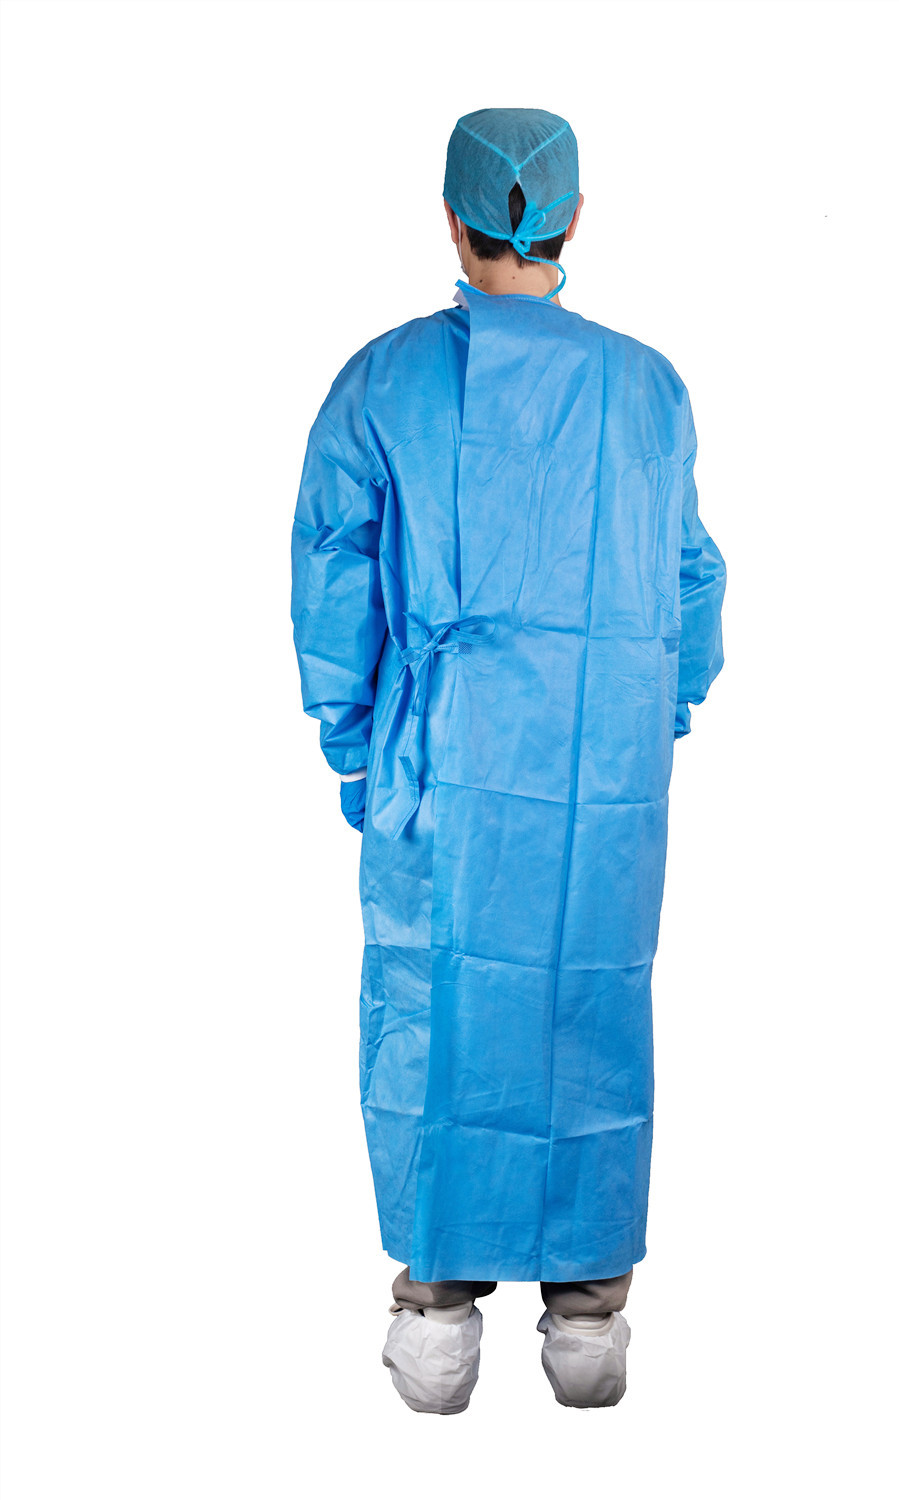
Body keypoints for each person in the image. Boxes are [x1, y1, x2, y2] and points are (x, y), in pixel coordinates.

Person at [290, 107, 726, 1414]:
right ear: (575, 216)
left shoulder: (383, 383)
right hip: (604, 780)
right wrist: (651, 718)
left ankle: (436, 1320)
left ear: (451, 216)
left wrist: (356, 750)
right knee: (587, 1008)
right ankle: (588, 1322)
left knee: (440, 1011)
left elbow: (334, 579)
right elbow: (689, 580)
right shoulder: (645, 388)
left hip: (439, 769)